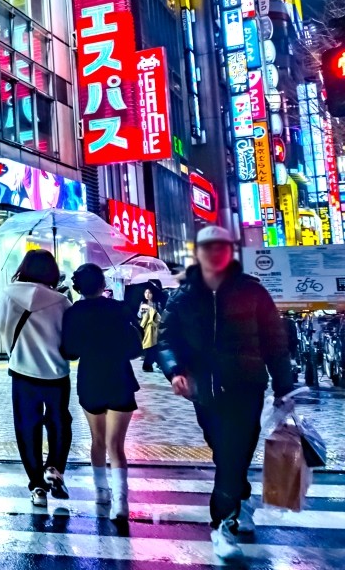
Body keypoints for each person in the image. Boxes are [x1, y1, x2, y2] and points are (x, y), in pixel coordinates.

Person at [157, 225, 295, 561]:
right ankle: (240, 499)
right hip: (203, 390)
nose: (214, 253)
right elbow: (165, 340)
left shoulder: (252, 291)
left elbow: (275, 341)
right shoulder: (184, 296)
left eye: (221, 247)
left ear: (229, 252)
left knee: (236, 452)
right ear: (199, 253)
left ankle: (222, 523)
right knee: (224, 452)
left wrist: (284, 386)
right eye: (208, 247)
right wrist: (174, 370)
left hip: (247, 385)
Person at [62, 263, 142, 519]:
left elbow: (70, 352)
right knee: (116, 445)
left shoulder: (74, 313)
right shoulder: (118, 309)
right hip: (119, 376)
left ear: (78, 287)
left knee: (98, 441)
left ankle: (101, 492)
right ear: (102, 284)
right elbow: (134, 348)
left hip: (91, 377)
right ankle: (121, 502)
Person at [2, 249, 73, 507]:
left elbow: (4, 329)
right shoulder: (62, 302)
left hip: (23, 372)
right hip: (56, 372)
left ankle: (37, 488)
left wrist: (17, 353)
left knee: (27, 428)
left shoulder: (10, 295)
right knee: (59, 423)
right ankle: (54, 467)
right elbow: (68, 337)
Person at [139, 288, 161, 372]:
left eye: (149, 292)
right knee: (149, 346)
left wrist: (150, 310)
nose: (147, 294)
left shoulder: (156, 303)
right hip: (145, 328)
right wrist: (141, 311)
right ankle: (151, 364)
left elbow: (159, 315)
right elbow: (139, 315)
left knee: (153, 346)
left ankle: (149, 364)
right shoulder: (142, 304)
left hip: (154, 328)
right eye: (146, 292)